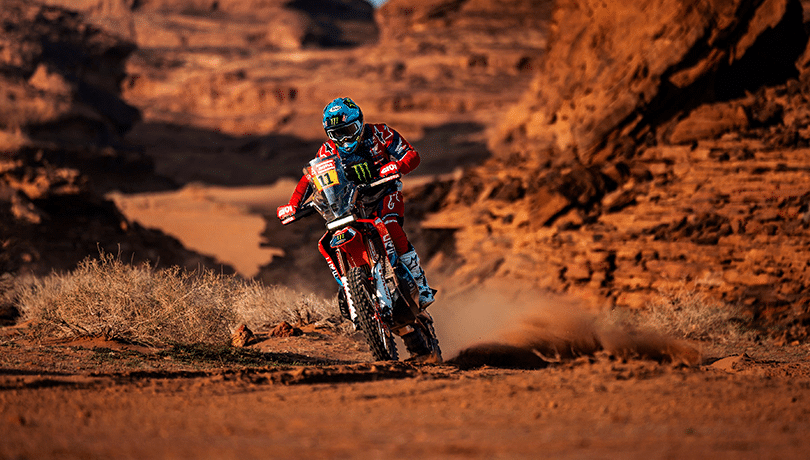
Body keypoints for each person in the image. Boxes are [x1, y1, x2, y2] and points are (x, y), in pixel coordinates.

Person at [276, 97, 436, 312]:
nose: (344, 137)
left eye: (348, 129)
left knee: (389, 223)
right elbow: (311, 178)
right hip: (350, 202)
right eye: (336, 133)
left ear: (359, 123)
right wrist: (293, 205)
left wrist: (396, 166)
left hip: (384, 191)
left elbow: (411, 155)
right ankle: (352, 294)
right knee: (331, 237)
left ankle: (422, 285)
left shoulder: (380, 133)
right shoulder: (327, 150)